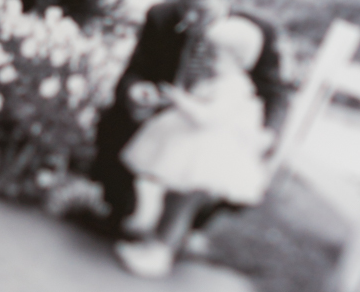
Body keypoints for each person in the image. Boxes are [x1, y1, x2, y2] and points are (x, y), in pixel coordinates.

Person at [91, 0, 282, 242]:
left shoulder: (255, 32)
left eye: (202, 10)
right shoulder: (161, 17)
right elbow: (135, 70)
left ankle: (189, 227)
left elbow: (273, 91)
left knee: (233, 171)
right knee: (113, 123)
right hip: (168, 107)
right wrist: (137, 91)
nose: (190, 18)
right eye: (185, 6)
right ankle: (121, 210)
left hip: (218, 121)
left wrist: (267, 135)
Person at [114, 15, 273, 278]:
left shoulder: (235, 87)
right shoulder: (216, 80)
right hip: (189, 149)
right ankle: (152, 243)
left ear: (238, 58)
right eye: (208, 52)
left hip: (205, 156)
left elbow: (207, 118)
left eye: (216, 54)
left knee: (181, 207)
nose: (209, 59)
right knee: (170, 198)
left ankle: (162, 252)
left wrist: (180, 101)